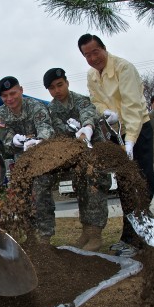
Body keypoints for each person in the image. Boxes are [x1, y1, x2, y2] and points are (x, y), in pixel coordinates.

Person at [78, 33, 154, 257]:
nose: (92, 58)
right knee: (124, 186)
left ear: (104, 48)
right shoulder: (92, 75)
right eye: (87, 55)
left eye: (95, 52)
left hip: (139, 128)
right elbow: (96, 102)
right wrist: (107, 113)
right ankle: (128, 238)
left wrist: (130, 141)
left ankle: (142, 237)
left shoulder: (124, 68)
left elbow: (133, 107)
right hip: (116, 131)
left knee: (141, 182)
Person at [43, 67, 110, 251]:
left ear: (67, 82)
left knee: (95, 188)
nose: (57, 90)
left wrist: (87, 128)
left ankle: (96, 234)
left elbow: (89, 114)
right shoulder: (51, 110)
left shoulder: (81, 100)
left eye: (60, 85)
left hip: (94, 153)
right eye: (52, 88)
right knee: (81, 190)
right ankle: (87, 232)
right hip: (76, 159)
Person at [0, 76, 56, 245]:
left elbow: (45, 127)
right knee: (22, 198)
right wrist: (13, 140)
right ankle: (29, 235)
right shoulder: (0, 113)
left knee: (42, 195)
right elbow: (3, 136)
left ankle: (45, 236)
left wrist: (40, 140)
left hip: (40, 159)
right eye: (5, 96)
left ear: (21, 90)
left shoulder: (35, 106)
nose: (10, 99)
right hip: (19, 164)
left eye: (13, 93)